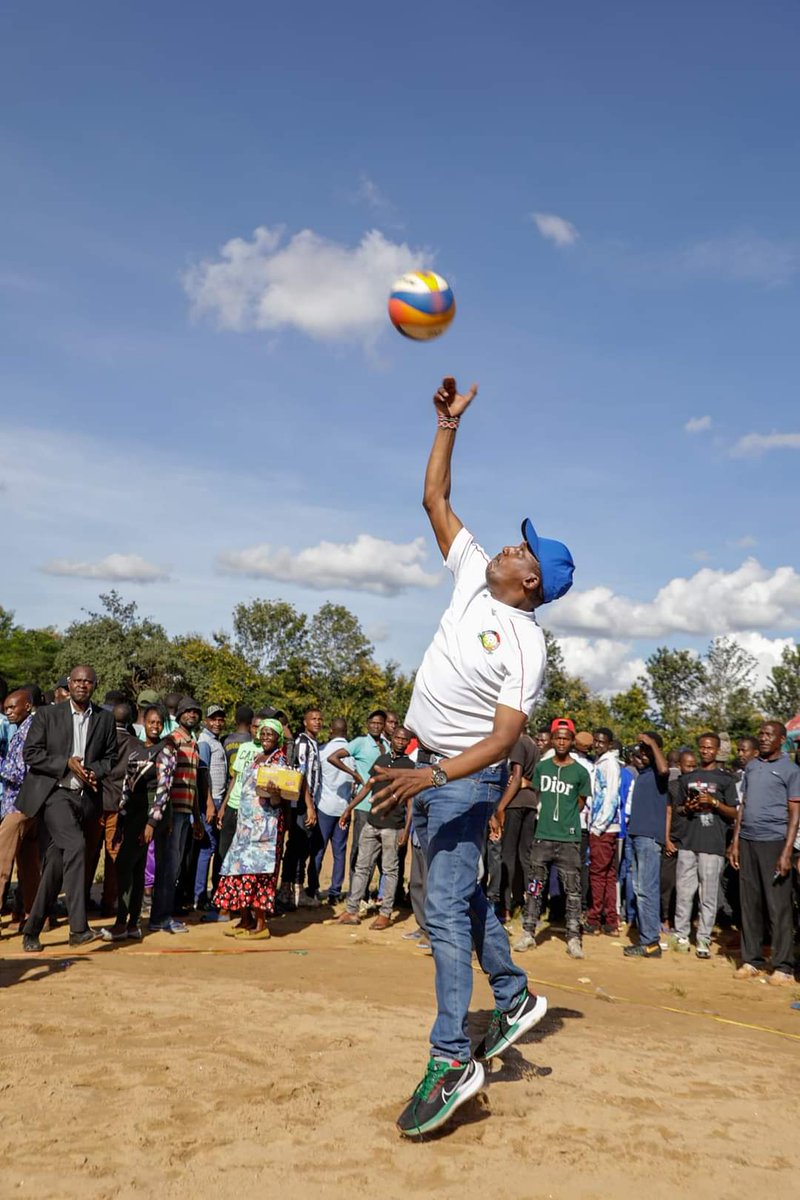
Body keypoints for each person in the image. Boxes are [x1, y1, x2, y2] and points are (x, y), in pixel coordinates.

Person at [370, 376, 573, 1137]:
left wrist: (434, 775)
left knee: (443, 916)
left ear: (533, 582)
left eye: (526, 548)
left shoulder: (526, 642)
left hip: (460, 778)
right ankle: (514, 997)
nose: (512, 544)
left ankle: (452, 1057)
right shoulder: (471, 572)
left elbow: (503, 737)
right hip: (428, 771)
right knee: (457, 899)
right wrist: (448, 427)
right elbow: (434, 500)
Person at [18, 665, 117, 952]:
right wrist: (66, 763)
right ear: (68, 685)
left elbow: (110, 757)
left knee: (56, 865)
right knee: (75, 846)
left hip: (85, 799)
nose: (82, 685)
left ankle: (32, 929)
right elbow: (31, 754)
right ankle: (78, 929)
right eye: (77, 681)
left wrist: (94, 771)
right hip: (54, 795)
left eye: (88, 682)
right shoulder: (47, 715)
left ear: (94, 685)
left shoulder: (104, 719)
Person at [729, 721, 800, 985]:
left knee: (778, 906)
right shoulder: (752, 766)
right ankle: (752, 961)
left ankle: (783, 966)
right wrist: (735, 842)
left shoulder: (791, 771)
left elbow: (795, 815)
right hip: (748, 841)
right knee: (750, 904)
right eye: (761, 734)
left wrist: (786, 852)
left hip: (775, 843)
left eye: (769, 734)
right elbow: (743, 806)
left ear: (782, 739)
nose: (764, 738)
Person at [100, 706, 177, 941]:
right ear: (143, 722)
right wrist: (121, 814)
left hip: (147, 815)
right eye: (151, 722)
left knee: (124, 864)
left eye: (158, 723)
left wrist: (152, 823)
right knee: (134, 867)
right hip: (132, 814)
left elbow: (164, 789)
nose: (154, 726)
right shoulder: (136, 749)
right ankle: (132, 925)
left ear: (163, 724)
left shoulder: (166, 750)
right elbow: (127, 785)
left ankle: (122, 923)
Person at [513, 725, 591, 958]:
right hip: (543, 836)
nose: (561, 742)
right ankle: (528, 933)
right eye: (557, 738)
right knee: (535, 886)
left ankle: (573, 937)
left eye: (566, 739)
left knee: (573, 890)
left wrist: (565, 820)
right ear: (553, 740)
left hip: (568, 838)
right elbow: (536, 793)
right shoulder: (542, 768)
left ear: (572, 742)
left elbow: (580, 802)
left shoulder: (580, 772)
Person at [213, 718, 288, 938]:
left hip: (265, 829)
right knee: (239, 871)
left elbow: (278, 801)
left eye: (270, 734)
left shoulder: (279, 761)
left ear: (278, 737)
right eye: (262, 733)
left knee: (259, 875)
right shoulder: (257, 757)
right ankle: (245, 920)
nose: (265, 737)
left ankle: (261, 924)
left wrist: (275, 793)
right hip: (246, 826)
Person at [336, 725, 414, 930]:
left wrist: (406, 830)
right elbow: (367, 787)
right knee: (362, 867)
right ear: (392, 738)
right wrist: (349, 808)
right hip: (371, 823)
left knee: (390, 870)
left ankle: (385, 913)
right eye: (396, 737)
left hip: (393, 827)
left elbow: (410, 803)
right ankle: (352, 910)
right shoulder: (381, 759)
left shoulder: (410, 766)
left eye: (403, 739)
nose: (399, 741)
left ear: (408, 742)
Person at [670, 733, 738, 959]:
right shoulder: (687, 777)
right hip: (688, 843)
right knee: (684, 892)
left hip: (713, 844)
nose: (706, 751)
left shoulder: (726, 780)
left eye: (710, 748)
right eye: (703, 747)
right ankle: (681, 935)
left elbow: (735, 813)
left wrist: (714, 802)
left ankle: (704, 939)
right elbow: (678, 809)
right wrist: (688, 807)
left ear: (717, 750)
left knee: (708, 895)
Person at [148, 697, 204, 933]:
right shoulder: (173, 742)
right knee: (168, 867)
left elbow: (193, 785)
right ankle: (160, 918)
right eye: (187, 712)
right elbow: (166, 782)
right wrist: (167, 815)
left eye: (195, 712)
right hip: (173, 814)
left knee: (175, 866)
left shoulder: (194, 743)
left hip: (186, 813)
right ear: (179, 716)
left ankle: (163, 915)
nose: (192, 715)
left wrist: (198, 817)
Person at [326, 710, 389, 895]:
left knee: (378, 852)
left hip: (383, 807)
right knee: (360, 850)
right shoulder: (360, 742)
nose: (376, 726)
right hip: (363, 806)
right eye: (373, 723)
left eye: (380, 723)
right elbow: (333, 757)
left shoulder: (387, 745)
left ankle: (367, 894)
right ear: (367, 724)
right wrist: (354, 774)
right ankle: (356, 894)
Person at [623, 732, 670, 959]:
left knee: (647, 890)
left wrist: (652, 744)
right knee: (640, 889)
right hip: (636, 836)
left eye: (645, 750)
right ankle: (647, 939)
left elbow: (664, 769)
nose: (640, 754)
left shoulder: (658, 772)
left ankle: (651, 942)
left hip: (649, 839)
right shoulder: (641, 774)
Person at [0, 689, 40, 929]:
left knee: (1, 863)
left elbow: (19, 773)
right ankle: (37, 915)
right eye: (6, 709)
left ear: (28, 705)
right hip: (27, 804)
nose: (9, 712)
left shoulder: (29, 732)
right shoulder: (24, 729)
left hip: (19, 805)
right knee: (28, 864)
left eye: (13, 707)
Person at [489, 731, 539, 920]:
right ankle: (532, 907)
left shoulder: (518, 742)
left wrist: (501, 807)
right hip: (530, 803)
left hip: (514, 803)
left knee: (507, 856)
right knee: (526, 858)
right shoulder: (532, 743)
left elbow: (516, 777)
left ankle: (505, 908)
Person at [281, 707, 322, 907]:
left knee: (302, 847)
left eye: (320, 719)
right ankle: (289, 889)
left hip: (308, 803)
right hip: (300, 804)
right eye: (313, 719)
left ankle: (294, 889)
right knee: (296, 847)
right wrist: (309, 805)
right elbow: (301, 775)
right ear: (305, 722)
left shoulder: (314, 744)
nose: (317, 722)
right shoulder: (303, 743)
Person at [585, 727, 622, 935]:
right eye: (596, 741)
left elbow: (611, 797)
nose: (598, 745)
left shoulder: (610, 764)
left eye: (602, 742)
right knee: (607, 875)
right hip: (604, 826)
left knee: (598, 875)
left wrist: (598, 827)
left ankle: (594, 919)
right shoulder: (600, 762)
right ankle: (610, 922)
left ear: (609, 744)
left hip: (604, 827)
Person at [314, 717, 353, 905]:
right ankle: (335, 892)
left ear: (331, 731)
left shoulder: (322, 751)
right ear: (346, 731)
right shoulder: (352, 752)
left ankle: (312, 887)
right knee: (340, 852)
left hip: (324, 807)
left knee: (319, 849)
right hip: (344, 808)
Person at [195, 704, 228, 909]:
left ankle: (204, 894)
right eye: (213, 719)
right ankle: (200, 896)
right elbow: (202, 774)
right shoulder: (205, 742)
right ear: (206, 721)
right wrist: (209, 804)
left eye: (220, 719)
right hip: (211, 801)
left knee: (211, 847)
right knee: (207, 848)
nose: (217, 723)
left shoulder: (215, 741)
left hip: (217, 800)